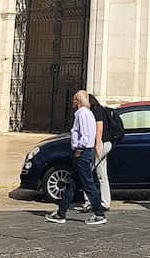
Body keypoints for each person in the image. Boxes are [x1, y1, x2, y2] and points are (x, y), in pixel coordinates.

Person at [45, 91, 106, 226]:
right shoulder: (87, 113)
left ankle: (99, 213)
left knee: (88, 184)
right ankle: (61, 212)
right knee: (72, 183)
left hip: (83, 153)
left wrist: (79, 150)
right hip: (85, 152)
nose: (72, 102)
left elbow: (85, 135)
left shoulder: (82, 114)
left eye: (74, 100)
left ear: (78, 101)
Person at [83, 94, 113, 213]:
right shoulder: (102, 110)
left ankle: (89, 202)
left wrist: (96, 146)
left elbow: (99, 129)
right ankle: (105, 202)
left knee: (87, 172)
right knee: (102, 174)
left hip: (101, 144)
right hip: (106, 143)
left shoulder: (97, 111)